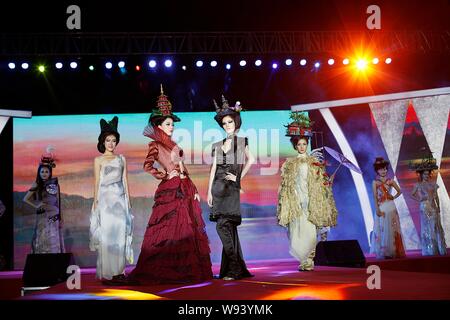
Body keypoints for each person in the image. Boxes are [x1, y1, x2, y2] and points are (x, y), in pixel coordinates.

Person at [129, 85, 212, 284]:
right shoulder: (155, 145)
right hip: (171, 190)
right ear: (159, 125)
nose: (172, 126)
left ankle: (183, 271)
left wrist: (193, 189)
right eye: (168, 123)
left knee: (185, 230)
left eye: (172, 123)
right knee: (170, 230)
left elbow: (183, 166)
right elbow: (147, 165)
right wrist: (164, 174)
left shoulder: (174, 144)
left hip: (184, 187)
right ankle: (169, 271)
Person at [277, 112, 337, 271]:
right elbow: (285, 185)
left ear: (307, 144)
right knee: (297, 233)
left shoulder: (314, 162)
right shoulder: (290, 164)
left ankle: (309, 261)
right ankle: (303, 259)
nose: (302, 147)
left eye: (304, 144)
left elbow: (321, 182)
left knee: (310, 232)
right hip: (297, 201)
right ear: (295, 146)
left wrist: (327, 182)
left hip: (311, 201)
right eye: (299, 144)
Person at [207, 96, 254, 281]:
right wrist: (208, 191)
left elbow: (252, 160)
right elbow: (213, 168)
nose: (227, 125)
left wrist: (239, 177)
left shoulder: (242, 141)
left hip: (231, 189)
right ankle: (231, 269)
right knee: (228, 230)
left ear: (236, 122)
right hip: (218, 189)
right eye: (225, 123)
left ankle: (234, 268)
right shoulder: (217, 145)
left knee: (223, 227)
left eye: (230, 121)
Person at [89, 116, 134, 285]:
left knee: (121, 234)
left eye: (114, 140)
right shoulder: (98, 160)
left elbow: (125, 181)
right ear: (103, 141)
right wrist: (95, 203)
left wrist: (128, 202)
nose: (111, 144)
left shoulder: (121, 159)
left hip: (120, 200)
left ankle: (120, 272)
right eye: (108, 140)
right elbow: (96, 182)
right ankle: (109, 273)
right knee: (107, 236)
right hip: (105, 201)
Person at [23, 149, 65, 254]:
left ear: (50, 172)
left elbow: (58, 202)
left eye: (46, 171)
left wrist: (61, 218)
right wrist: (37, 205)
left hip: (54, 216)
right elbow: (25, 199)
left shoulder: (55, 184)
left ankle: (54, 263)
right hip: (43, 216)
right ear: (39, 172)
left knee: (53, 239)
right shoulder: (36, 184)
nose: (44, 173)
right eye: (42, 171)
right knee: (42, 238)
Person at [410, 154, 447, 256]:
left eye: (427, 174)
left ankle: (439, 248)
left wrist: (438, 207)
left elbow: (436, 197)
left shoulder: (432, 184)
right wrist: (419, 199)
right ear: (421, 174)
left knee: (435, 226)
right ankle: (430, 250)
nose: (426, 175)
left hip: (433, 206)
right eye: (424, 174)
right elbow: (411, 194)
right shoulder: (418, 185)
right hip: (424, 206)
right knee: (427, 228)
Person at [370, 157, 406, 259]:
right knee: (382, 228)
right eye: (381, 169)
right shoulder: (375, 182)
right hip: (381, 207)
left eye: (385, 169)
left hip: (390, 207)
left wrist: (393, 197)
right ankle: (384, 251)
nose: (383, 171)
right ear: (377, 170)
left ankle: (393, 250)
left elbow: (399, 191)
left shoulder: (390, 181)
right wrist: (377, 209)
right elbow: (374, 197)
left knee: (392, 228)